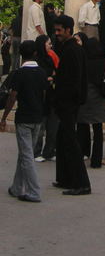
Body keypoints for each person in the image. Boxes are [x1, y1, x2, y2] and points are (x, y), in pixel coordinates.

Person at [0, 40, 46, 202]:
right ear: (35, 54)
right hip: (37, 117)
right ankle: (17, 186)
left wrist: (4, 117)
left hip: (24, 118)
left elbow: (12, 97)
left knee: (26, 156)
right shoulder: (41, 73)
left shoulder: (19, 73)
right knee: (26, 153)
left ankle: (34, 191)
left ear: (21, 54)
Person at [53, 15, 91, 196]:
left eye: (60, 30)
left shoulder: (72, 50)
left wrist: (66, 98)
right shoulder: (68, 48)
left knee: (70, 141)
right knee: (61, 139)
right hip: (67, 102)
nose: (57, 34)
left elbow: (75, 79)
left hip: (69, 102)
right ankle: (65, 178)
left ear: (69, 30)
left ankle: (81, 183)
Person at [76, 37, 105, 168]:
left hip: (84, 97)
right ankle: (96, 159)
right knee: (98, 129)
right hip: (98, 98)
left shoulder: (83, 61)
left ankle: (82, 153)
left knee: (82, 127)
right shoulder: (104, 62)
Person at [33, 34, 59, 162]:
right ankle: (36, 151)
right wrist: (48, 78)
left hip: (52, 96)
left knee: (52, 126)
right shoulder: (36, 60)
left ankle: (49, 150)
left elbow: (55, 73)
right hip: (40, 97)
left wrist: (51, 78)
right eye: (48, 43)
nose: (50, 45)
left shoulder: (51, 58)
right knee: (40, 126)